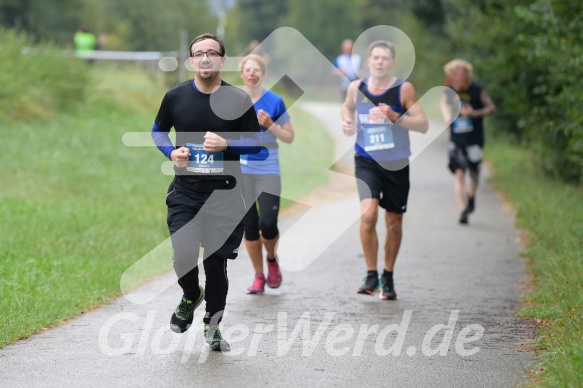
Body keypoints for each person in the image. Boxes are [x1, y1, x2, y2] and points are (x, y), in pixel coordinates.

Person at [151, 33, 263, 352]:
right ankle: (190, 295)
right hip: (186, 194)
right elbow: (158, 130)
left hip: (225, 197)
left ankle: (212, 327)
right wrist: (170, 153)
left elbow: (258, 146)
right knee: (184, 256)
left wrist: (228, 144)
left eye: (211, 53)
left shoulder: (239, 100)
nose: (204, 58)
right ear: (190, 60)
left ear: (222, 61)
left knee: (215, 265)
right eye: (198, 53)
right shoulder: (175, 97)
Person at [341, 40, 428, 300]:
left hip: (396, 163)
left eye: (384, 58)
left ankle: (387, 276)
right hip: (366, 160)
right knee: (368, 216)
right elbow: (347, 107)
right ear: (368, 62)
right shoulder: (356, 88)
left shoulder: (404, 89)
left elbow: (423, 124)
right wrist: (347, 121)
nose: (379, 62)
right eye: (375, 58)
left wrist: (396, 117)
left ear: (392, 63)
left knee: (393, 223)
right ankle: (371, 273)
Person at [238, 54, 295, 294]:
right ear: (242, 74)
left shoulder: (275, 101)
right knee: (250, 227)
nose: (252, 73)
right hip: (241, 170)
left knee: (268, 224)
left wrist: (271, 124)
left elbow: (289, 137)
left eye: (256, 70)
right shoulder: (232, 101)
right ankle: (259, 276)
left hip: (268, 168)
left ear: (262, 74)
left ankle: (271, 259)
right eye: (247, 70)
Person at [440, 59, 496, 224]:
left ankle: (471, 196)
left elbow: (492, 108)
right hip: (456, 139)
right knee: (459, 172)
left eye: (463, 73)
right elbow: (443, 103)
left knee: (473, 172)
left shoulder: (477, 90)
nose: (461, 76)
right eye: (457, 73)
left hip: (474, 138)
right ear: (452, 75)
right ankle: (463, 209)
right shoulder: (449, 91)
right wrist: (447, 116)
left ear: (467, 74)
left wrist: (474, 113)